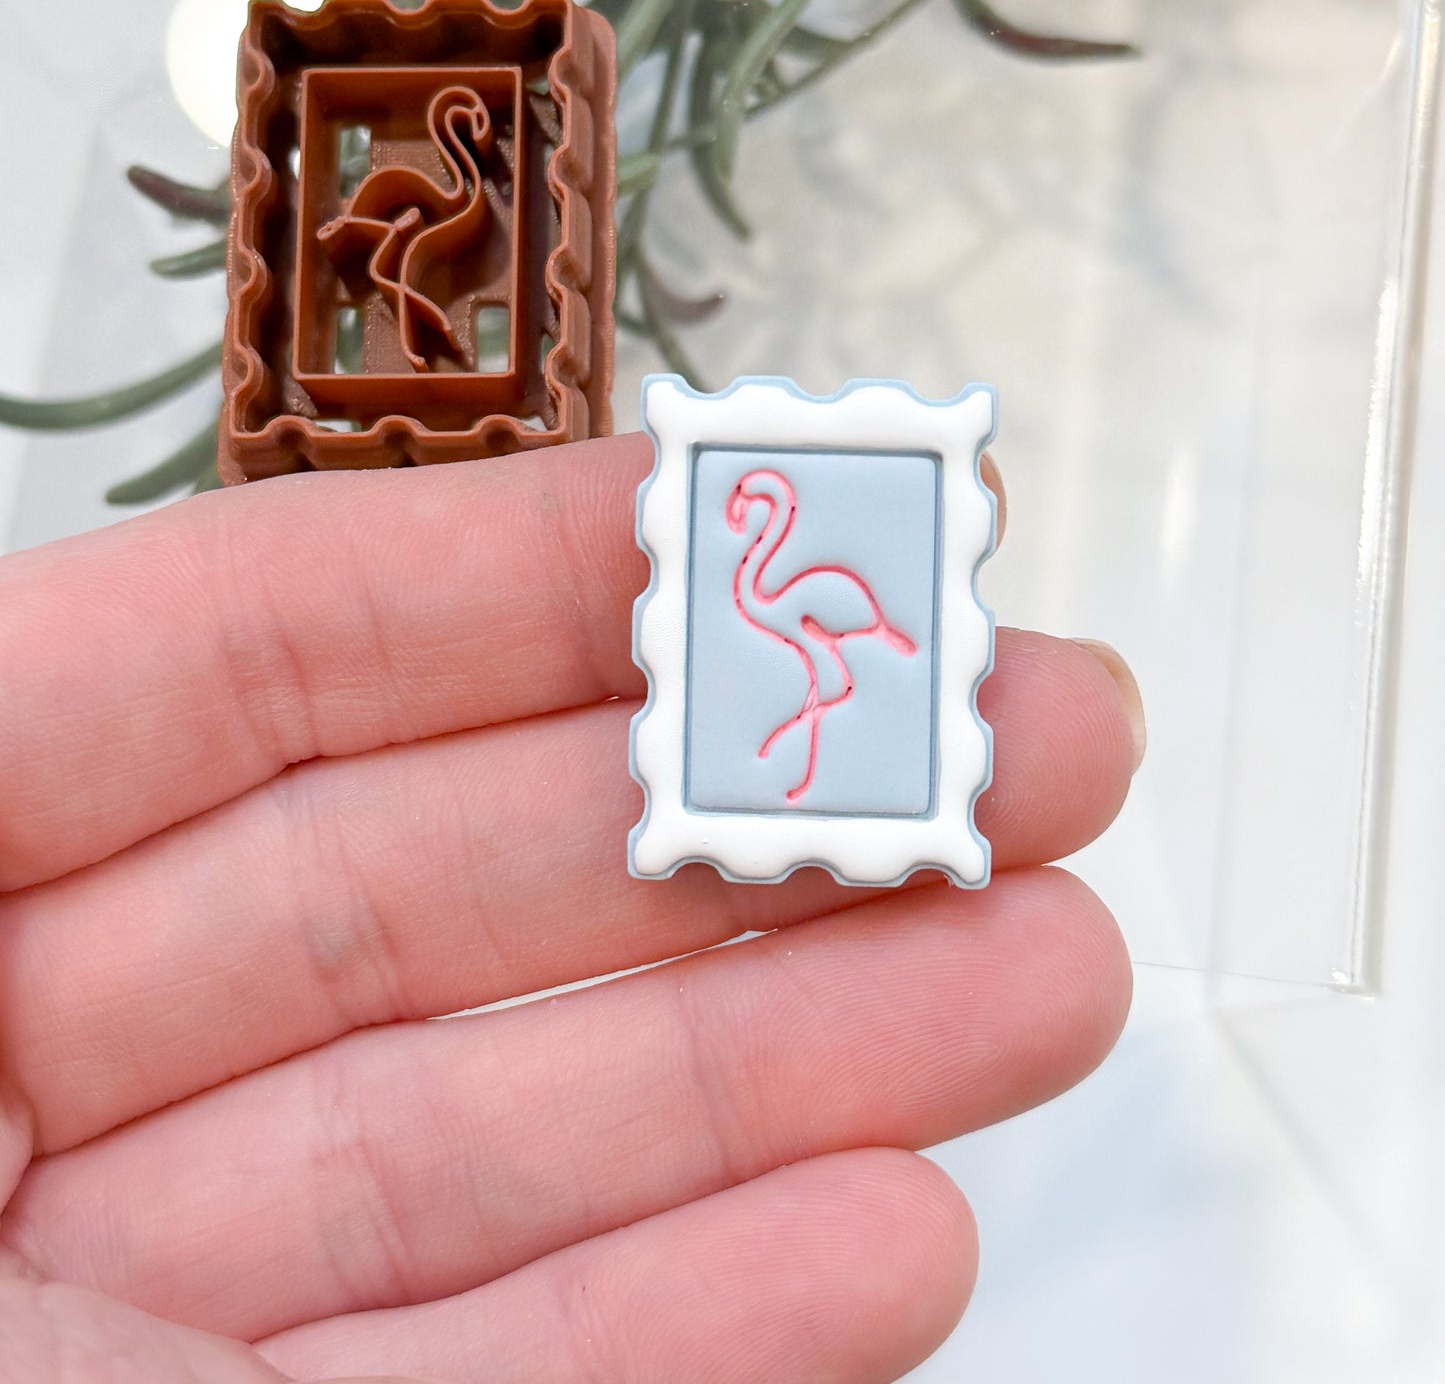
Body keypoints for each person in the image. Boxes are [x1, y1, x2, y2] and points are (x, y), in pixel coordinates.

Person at [0, 433, 1142, 1382]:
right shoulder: (762, 586)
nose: (750, 527)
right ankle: (802, 758)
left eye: (756, 515)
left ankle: (807, 759)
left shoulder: (806, 589)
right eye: (747, 514)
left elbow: (843, 649)